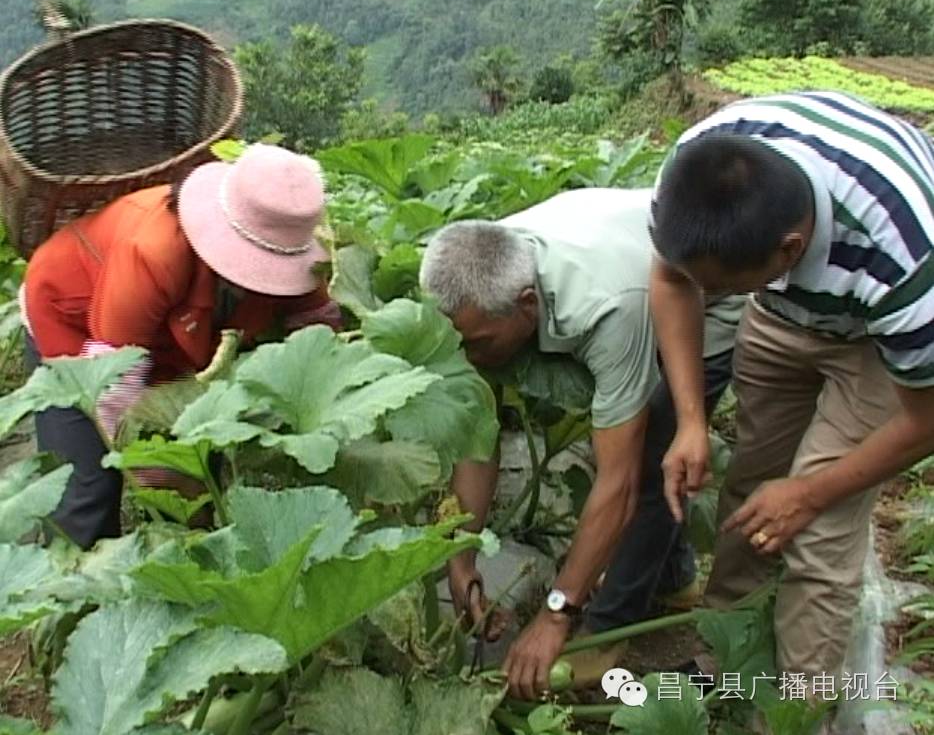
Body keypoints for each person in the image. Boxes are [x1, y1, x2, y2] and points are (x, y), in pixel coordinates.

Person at [649, 90, 934, 693]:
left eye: (721, 289)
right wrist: (693, 420)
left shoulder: (908, 254)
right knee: (753, 487)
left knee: (819, 528)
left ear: (788, 252)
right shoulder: (696, 174)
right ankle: (722, 661)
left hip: (875, 342)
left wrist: (809, 493)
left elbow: (926, 419)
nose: (711, 298)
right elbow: (672, 281)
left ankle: (796, 708)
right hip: (782, 316)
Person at [419, 187, 744, 699]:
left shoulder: (604, 309)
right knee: (627, 443)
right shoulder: (483, 285)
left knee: (658, 459)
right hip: (627, 258)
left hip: (701, 307)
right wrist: (462, 560)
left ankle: (607, 627)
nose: (468, 355)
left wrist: (555, 614)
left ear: (527, 305)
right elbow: (476, 437)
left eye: (477, 344)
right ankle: (674, 579)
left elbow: (620, 483)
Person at [20, 144, 340, 549]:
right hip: (78, 331)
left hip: (174, 352)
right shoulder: (155, 250)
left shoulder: (288, 236)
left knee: (204, 454)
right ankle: (74, 601)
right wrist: (173, 485)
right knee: (87, 487)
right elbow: (112, 393)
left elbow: (319, 327)